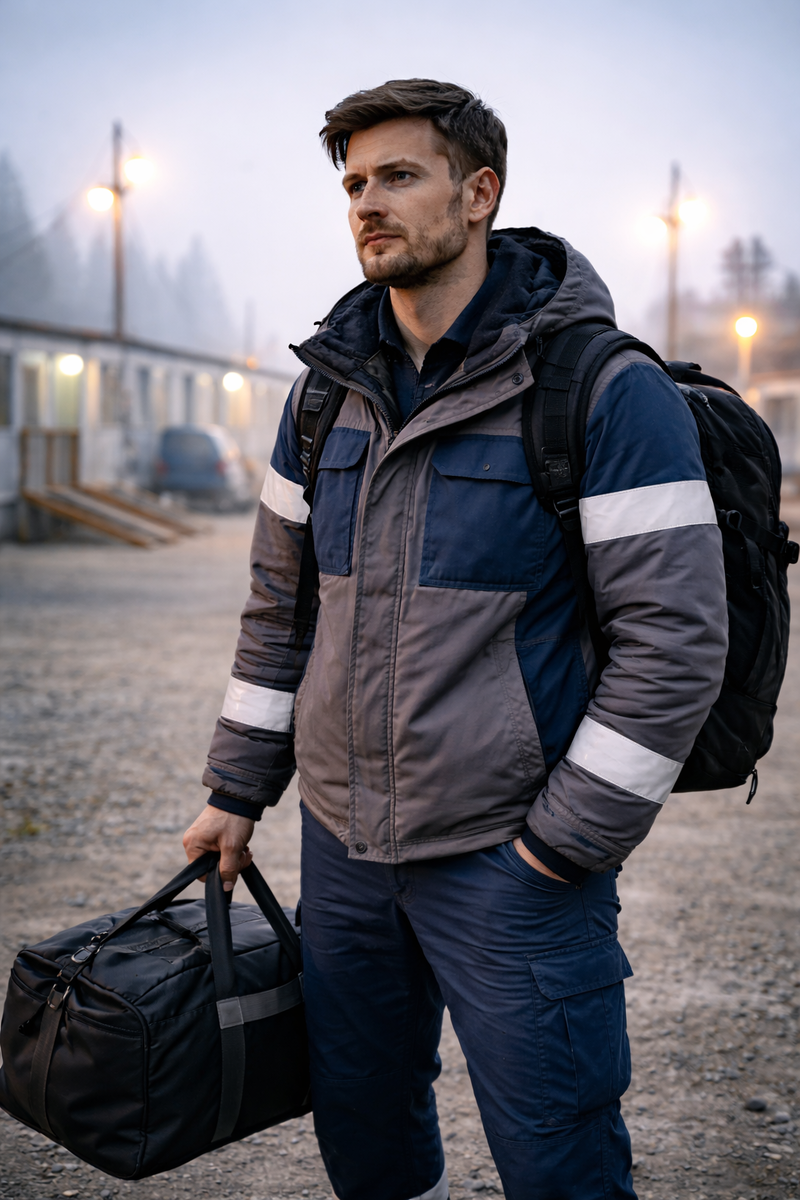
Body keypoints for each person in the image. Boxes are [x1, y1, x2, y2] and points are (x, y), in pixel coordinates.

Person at [183, 79, 727, 1200]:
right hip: (343, 852)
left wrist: (557, 851)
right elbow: (280, 612)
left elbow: (673, 642)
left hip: (508, 857)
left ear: (479, 194)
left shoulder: (602, 390)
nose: (367, 205)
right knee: (366, 1138)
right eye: (353, 184)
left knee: (559, 1159)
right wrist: (236, 790)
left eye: (398, 176)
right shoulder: (322, 397)